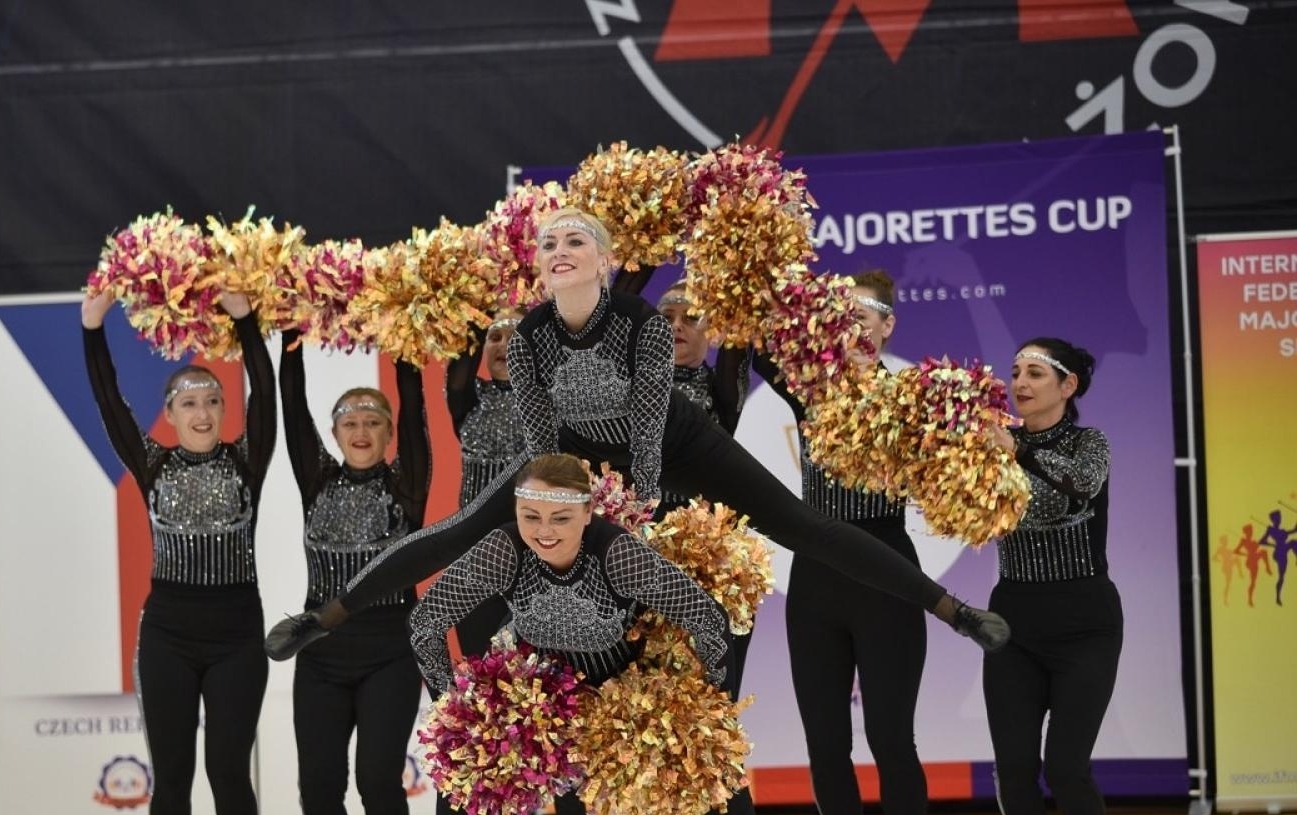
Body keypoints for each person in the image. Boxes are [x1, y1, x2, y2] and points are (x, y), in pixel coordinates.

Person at [266, 207, 1008, 666]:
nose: (560, 248)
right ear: (541, 264)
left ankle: (955, 613)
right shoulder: (526, 337)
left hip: (674, 441)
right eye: (549, 241)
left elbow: (650, 425)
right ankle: (320, 619)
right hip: (572, 454)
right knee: (460, 529)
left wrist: (639, 504)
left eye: (576, 240)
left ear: (604, 260)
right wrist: (562, 506)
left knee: (804, 525)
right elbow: (542, 438)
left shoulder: (641, 323)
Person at [406, 454, 795, 815]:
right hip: (542, 701)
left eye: (560, 518)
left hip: (627, 699)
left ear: (588, 513)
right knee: (462, 786)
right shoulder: (502, 550)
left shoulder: (619, 555)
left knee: (721, 784)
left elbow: (706, 617)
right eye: (531, 517)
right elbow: (426, 623)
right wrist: (453, 706)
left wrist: (713, 705)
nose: (543, 533)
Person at [81, 288, 276, 815]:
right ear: (169, 413)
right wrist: (92, 325)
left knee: (227, 767)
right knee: (173, 771)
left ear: (224, 410)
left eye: (211, 400)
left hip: (236, 635)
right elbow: (110, 401)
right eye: (188, 402)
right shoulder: (152, 461)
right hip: (167, 632)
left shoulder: (248, 460)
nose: (201, 410)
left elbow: (267, 394)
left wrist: (247, 324)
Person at [753, 269, 934, 815]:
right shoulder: (809, 391)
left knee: (891, 737)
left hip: (887, 569)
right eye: (842, 314)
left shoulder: (913, 395)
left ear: (889, 326)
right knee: (826, 739)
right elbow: (756, 347)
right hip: (819, 575)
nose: (854, 324)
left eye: (867, 314)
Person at [280, 335, 429, 815]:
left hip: (390, 650)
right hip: (321, 652)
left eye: (373, 421)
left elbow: (417, 412)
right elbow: (290, 412)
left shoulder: (406, 484)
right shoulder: (316, 480)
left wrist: (408, 330)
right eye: (349, 422)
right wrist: (288, 345)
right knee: (318, 782)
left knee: (376, 779)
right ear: (335, 435)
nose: (361, 431)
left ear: (390, 434)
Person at [446, 309, 592, 815]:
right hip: (482, 575)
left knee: (558, 701)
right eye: (494, 337)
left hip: (540, 568)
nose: (504, 344)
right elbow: (452, 356)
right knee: (488, 705)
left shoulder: (553, 403)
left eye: (515, 335)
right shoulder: (468, 402)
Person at [985, 338, 1123, 815]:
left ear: (1067, 387)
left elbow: (1067, 495)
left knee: (1065, 766)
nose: (1020, 381)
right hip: (1013, 622)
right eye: (1015, 371)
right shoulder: (986, 445)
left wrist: (1012, 449)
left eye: (1036, 373)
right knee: (1014, 764)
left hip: (1085, 622)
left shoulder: (1090, 444)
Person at [646, 281, 750, 815]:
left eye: (693, 317)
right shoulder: (630, 390)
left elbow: (742, 338)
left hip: (715, 580)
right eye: (667, 317)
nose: (680, 325)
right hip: (644, 573)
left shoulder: (720, 390)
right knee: (650, 721)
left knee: (711, 723)